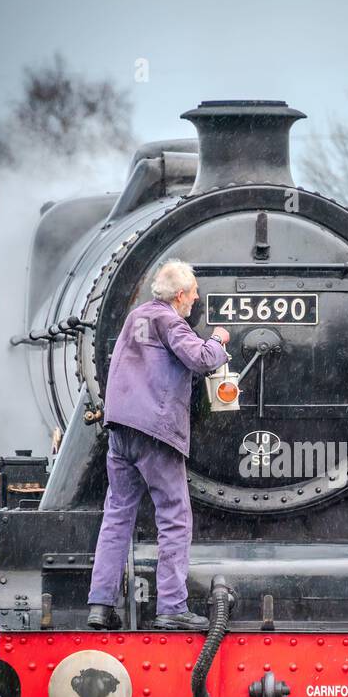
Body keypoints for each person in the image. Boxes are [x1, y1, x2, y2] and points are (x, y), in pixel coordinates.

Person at [87, 259, 229, 630]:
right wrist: (218, 339)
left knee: (117, 516)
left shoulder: (136, 318)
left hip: (120, 432)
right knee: (175, 517)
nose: (197, 299)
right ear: (180, 295)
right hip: (154, 432)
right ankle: (171, 607)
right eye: (194, 293)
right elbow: (200, 359)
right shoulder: (170, 320)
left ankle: (100, 604)